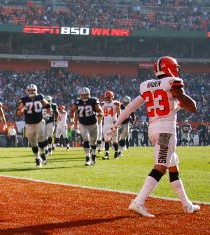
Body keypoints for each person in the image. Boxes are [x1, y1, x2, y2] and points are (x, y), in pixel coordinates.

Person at [109, 56, 200, 217]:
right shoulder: (173, 82)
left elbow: (130, 108)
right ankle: (138, 202)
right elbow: (189, 106)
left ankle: (187, 205)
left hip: (153, 130)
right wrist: (190, 104)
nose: (178, 70)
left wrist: (116, 125)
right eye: (175, 67)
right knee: (161, 167)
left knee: (173, 165)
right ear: (169, 68)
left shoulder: (146, 86)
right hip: (166, 131)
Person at [16, 84, 48, 167]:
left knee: (40, 137)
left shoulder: (40, 97)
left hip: (39, 121)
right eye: (30, 90)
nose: (31, 91)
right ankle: (37, 158)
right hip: (29, 124)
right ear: (27, 91)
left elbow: (47, 105)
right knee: (33, 143)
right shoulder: (24, 99)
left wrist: (47, 112)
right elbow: (18, 112)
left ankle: (42, 154)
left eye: (33, 90)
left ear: (36, 90)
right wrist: (21, 111)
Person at [69, 87, 103, 166]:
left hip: (93, 123)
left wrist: (100, 116)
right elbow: (72, 111)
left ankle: (93, 156)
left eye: (86, 95)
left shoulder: (93, 100)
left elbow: (100, 110)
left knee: (93, 142)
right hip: (83, 124)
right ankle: (87, 158)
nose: (84, 97)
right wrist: (71, 119)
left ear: (89, 94)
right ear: (80, 95)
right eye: (83, 95)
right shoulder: (78, 102)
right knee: (86, 140)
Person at [101, 90, 121, 160]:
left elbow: (119, 114)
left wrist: (118, 122)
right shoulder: (103, 104)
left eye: (109, 97)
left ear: (112, 97)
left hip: (113, 124)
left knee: (115, 140)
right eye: (107, 97)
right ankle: (107, 154)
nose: (108, 98)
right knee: (106, 140)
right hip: (106, 124)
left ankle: (116, 153)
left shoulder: (116, 104)